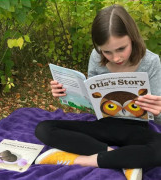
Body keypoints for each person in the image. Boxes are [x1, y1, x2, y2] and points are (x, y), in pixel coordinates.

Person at [35, 4, 161, 180]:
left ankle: (84, 160)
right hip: (104, 125)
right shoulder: (96, 57)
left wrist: (158, 110)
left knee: (159, 149)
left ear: (133, 37)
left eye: (121, 49)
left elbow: (157, 117)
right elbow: (93, 104)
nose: (115, 57)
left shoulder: (152, 62)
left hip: (136, 129)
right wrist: (68, 95)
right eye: (107, 51)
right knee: (44, 129)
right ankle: (121, 159)